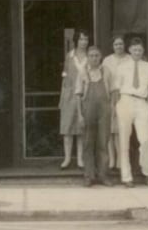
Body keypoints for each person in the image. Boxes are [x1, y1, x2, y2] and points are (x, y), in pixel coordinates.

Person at [112, 37, 148, 188]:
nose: (137, 52)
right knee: (124, 140)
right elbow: (116, 89)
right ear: (129, 50)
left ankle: (147, 173)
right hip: (125, 101)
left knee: (145, 140)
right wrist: (117, 107)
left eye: (140, 50)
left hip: (141, 102)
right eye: (134, 49)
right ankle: (126, 177)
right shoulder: (122, 66)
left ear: (143, 51)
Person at [75, 45, 113, 187]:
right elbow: (78, 96)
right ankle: (89, 176)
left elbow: (113, 92)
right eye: (91, 56)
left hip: (104, 110)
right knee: (88, 143)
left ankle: (103, 175)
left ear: (100, 57)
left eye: (97, 55)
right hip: (88, 110)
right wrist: (80, 115)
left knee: (103, 143)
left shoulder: (107, 71)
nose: (94, 58)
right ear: (88, 58)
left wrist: (112, 110)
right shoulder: (82, 72)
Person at [58, 30, 91, 170]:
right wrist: (62, 97)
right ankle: (66, 159)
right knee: (67, 128)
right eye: (81, 39)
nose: (84, 42)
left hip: (85, 94)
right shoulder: (69, 56)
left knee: (81, 128)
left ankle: (80, 159)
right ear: (76, 40)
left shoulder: (91, 56)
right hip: (70, 94)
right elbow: (64, 78)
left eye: (86, 39)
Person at [100, 35, 132, 171]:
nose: (119, 46)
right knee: (110, 130)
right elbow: (104, 79)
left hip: (124, 95)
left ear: (124, 45)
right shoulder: (107, 60)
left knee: (120, 130)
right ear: (112, 46)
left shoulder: (130, 59)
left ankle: (120, 159)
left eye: (120, 44)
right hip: (110, 95)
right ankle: (111, 159)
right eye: (116, 44)